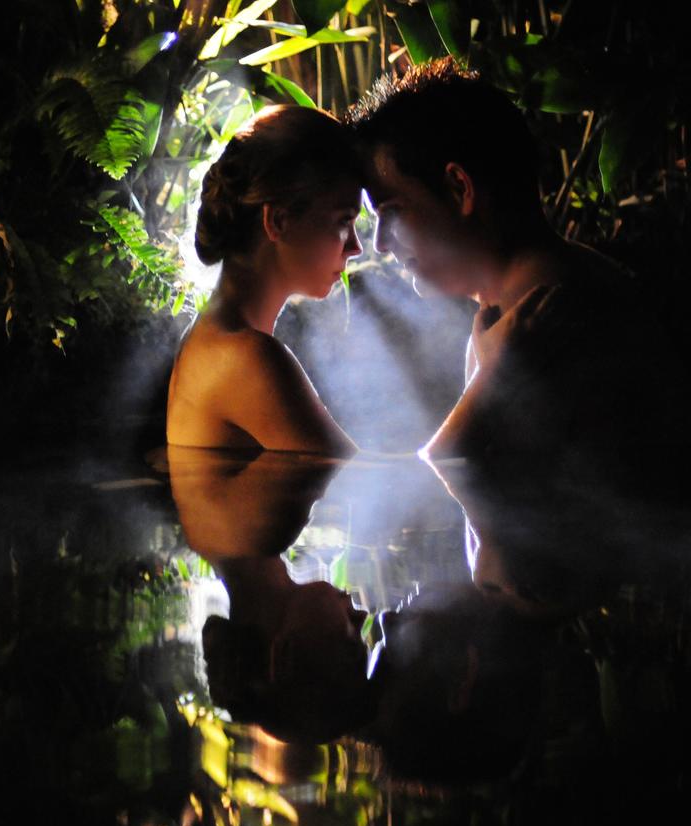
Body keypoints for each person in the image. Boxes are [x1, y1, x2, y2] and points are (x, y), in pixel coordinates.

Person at [347, 59, 678, 468]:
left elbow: (462, 486)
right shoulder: (539, 297)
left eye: (391, 212)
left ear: (458, 189)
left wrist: (490, 384)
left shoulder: (543, 318)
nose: (379, 244)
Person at [166, 106, 362, 455]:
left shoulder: (212, 339)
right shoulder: (246, 357)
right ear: (279, 221)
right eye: (343, 222)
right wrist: (486, 378)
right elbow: (365, 480)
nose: (355, 247)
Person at [167, 446, 373, 742]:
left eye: (350, 641)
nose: (361, 615)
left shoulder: (264, 518)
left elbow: (338, 446)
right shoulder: (216, 541)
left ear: (285, 654)